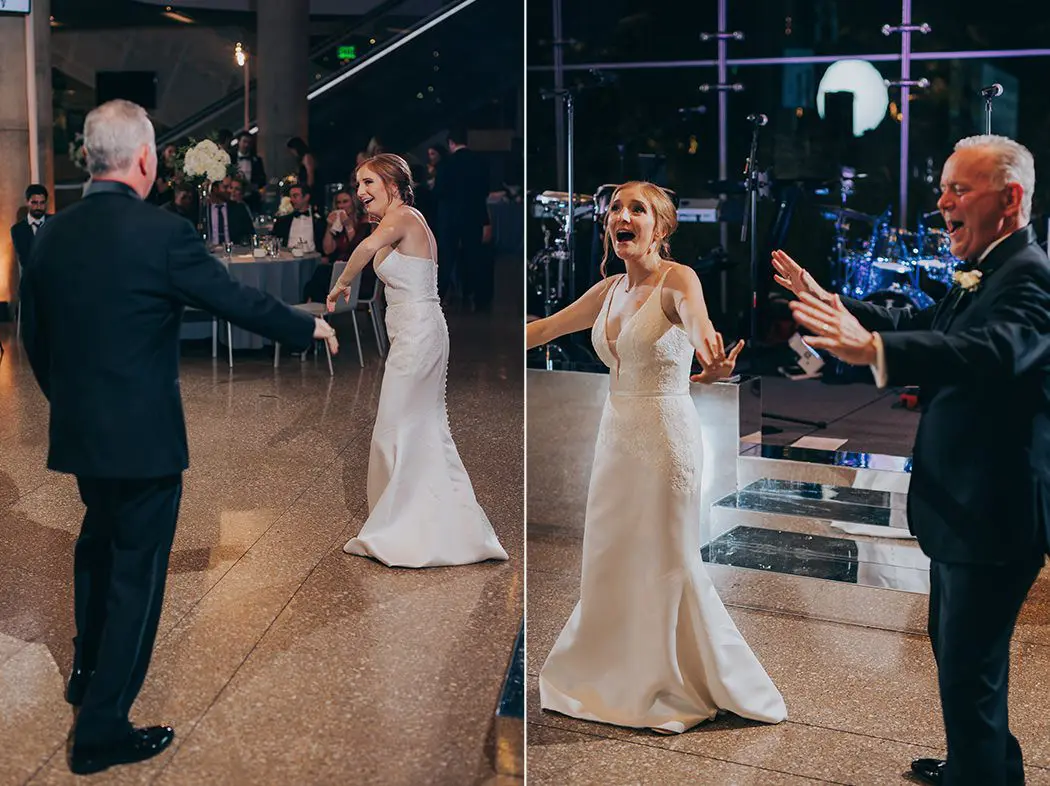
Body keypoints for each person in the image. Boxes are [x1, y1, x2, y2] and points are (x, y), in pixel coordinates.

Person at [18, 99, 338, 776]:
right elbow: (231, 299)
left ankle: (85, 669)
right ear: (143, 159)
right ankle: (100, 728)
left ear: (90, 159)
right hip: (143, 440)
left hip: (81, 435)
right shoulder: (163, 233)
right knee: (135, 572)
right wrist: (302, 326)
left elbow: (36, 340)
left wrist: (69, 404)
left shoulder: (49, 236)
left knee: (96, 542)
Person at [773, 134, 1050, 786]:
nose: (941, 201)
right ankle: (982, 765)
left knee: (967, 670)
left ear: (1009, 199)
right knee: (961, 659)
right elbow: (925, 318)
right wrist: (834, 304)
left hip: (995, 511)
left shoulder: (1030, 274)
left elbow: (988, 352)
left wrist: (871, 351)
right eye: (944, 186)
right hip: (963, 503)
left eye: (959, 189)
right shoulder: (988, 263)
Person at [525, 181, 785, 733]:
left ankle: (670, 681)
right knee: (610, 554)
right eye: (615, 209)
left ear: (660, 227)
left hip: (666, 440)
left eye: (636, 209)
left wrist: (714, 364)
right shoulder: (609, 290)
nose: (622, 216)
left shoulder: (678, 280)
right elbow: (544, 329)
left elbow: (700, 327)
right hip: (615, 437)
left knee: (667, 559)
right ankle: (612, 672)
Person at [327, 153, 507, 568]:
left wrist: (339, 286)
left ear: (392, 184)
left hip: (420, 336)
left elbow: (366, 248)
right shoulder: (405, 220)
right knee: (417, 426)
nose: (360, 192)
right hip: (416, 332)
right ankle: (437, 523)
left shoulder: (404, 219)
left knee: (396, 425)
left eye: (368, 183)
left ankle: (405, 528)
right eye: (358, 184)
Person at [433, 128, 489, 309]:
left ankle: (438, 296)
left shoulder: (446, 163)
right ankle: (479, 298)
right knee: (474, 256)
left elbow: (439, 192)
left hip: (449, 218)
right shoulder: (479, 162)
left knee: (446, 259)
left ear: (450, 143)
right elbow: (484, 191)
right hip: (473, 216)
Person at [11, 184, 50, 270]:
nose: (39, 207)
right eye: (34, 203)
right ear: (27, 202)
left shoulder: (54, 222)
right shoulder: (17, 230)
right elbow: (25, 260)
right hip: (31, 279)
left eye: (42, 203)